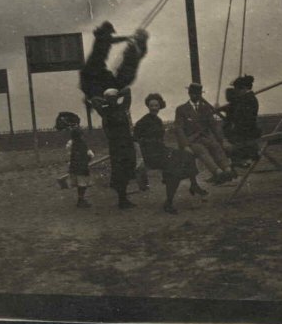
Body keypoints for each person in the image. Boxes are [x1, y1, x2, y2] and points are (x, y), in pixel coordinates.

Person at [80, 22, 149, 209]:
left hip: (98, 80)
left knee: (125, 169)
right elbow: (123, 92)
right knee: (121, 170)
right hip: (96, 79)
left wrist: (108, 96)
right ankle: (122, 198)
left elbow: (125, 92)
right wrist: (101, 97)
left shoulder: (114, 109)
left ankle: (123, 197)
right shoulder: (113, 110)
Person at [134, 93, 208, 214]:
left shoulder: (157, 120)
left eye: (156, 105)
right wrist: (140, 158)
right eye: (151, 105)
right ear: (148, 106)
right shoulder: (144, 121)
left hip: (161, 150)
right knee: (174, 170)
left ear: (160, 106)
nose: (153, 108)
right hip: (151, 155)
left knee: (188, 155)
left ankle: (194, 184)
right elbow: (135, 140)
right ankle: (168, 203)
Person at [174, 83, 236, 185]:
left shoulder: (205, 108)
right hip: (191, 141)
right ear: (189, 93)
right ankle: (218, 172)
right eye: (193, 93)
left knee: (216, 146)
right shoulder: (181, 109)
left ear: (200, 94)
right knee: (201, 150)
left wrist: (222, 140)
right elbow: (179, 128)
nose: (195, 95)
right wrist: (185, 146)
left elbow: (214, 126)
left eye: (198, 93)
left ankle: (228, 170)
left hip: (205, 138)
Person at [219, 75, 262, 168]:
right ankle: (240, 159)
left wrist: (232, 120)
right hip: (246, 127)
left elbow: (242, 115)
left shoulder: (248, 99)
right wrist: (221, 109)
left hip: (248, 128)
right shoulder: (245, 98)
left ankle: (245, 158)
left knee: (228, 136)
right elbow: (233, 107)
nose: (236, 92)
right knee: (227, 133)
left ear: (244, 88)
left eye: (238, 89)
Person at [55, 112, 95, 208]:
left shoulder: (70, 143)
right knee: (82, 185)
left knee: (78, 183)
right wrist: (88, 159)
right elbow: (91, 155)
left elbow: (69, 153)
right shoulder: (83, 144)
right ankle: (81, 200)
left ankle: (80, 199)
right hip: (82, 167)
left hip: (74, 166)